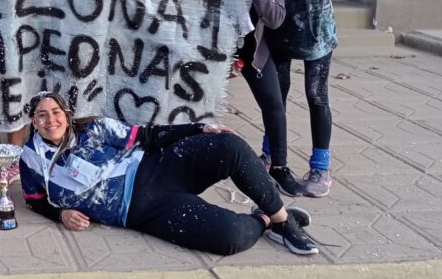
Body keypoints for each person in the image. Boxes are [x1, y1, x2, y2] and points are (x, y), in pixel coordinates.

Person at [19, 92, 318, 256]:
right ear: (33, 121)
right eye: (42, 115)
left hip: (157, 167)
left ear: (67, 114)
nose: (51, 120)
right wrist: (60, 214)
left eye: (56, 112)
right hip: (143, 211)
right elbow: (34, 199)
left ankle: (283, 221)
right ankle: (265, 220)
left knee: (229, 145)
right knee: (231, 237)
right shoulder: (31, 158)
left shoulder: (93, 128)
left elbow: (147, 136)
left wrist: (199, 128)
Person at [239, 0, 370, 197]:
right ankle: (271, 156)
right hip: (272, 32)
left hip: (314, 28)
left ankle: (320, 167)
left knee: (316, 95)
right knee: (275, 98)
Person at [214, 0, 303, 196]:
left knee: (274, 105)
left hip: (254, 51)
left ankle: (280, 167)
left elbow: (275, 18)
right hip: (216, 51)